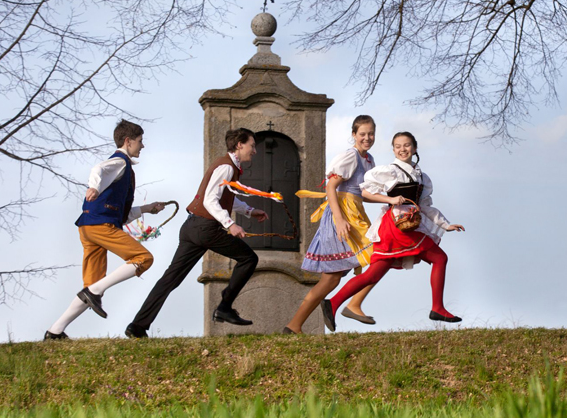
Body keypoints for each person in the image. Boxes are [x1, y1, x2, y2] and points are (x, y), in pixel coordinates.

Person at [124, 128, 268, 338]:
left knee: (170, 279)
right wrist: (230, 225)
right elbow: (210, 200)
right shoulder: (226, 168)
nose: (254, 151)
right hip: (205, 228)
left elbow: (225, 198)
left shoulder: (228, 166)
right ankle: (224, 307)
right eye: (252, 146)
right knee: (249, 258)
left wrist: (249, 211)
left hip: (192, 227)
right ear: (239, 145)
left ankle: (137, 326)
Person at [320, 131, 465, 332]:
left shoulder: (421, 176)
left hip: (409, 224)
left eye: (406, 145)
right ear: (393, 149)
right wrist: (390, 200)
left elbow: (425, 206)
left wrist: (446, 224)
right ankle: (437, 307)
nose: (402, 149)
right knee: (439, 258)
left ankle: (333, 303)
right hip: (397, 227)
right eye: (398, 146)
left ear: (414, 148)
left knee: (373, 274)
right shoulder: (390, 171)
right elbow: (365, 192)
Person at [44, 119, 167, 340]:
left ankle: (54, 332)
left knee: (91, 285)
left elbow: (121, 215)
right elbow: (97, 169)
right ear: (128, 141)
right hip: (100, 226)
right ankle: (94, 292)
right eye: (140, 141)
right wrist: (93, 186)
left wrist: (148, 208)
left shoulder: (123, 169)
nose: (143, 146)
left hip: (89, 226)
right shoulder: (120, 162)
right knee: (143, 258)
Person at [284, 115, 379, 334]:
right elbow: (331, 187)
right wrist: (339, 219)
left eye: (370, 133)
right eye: (362, 134)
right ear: (354, 135)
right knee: (379, 257)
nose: (367, 138)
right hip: (342, 215)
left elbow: (363, 194)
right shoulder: (350, 156)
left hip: (355, 214)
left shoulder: (369, 160)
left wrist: (391, 200)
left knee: (331, 279)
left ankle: (293, 326)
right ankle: (353, 305)